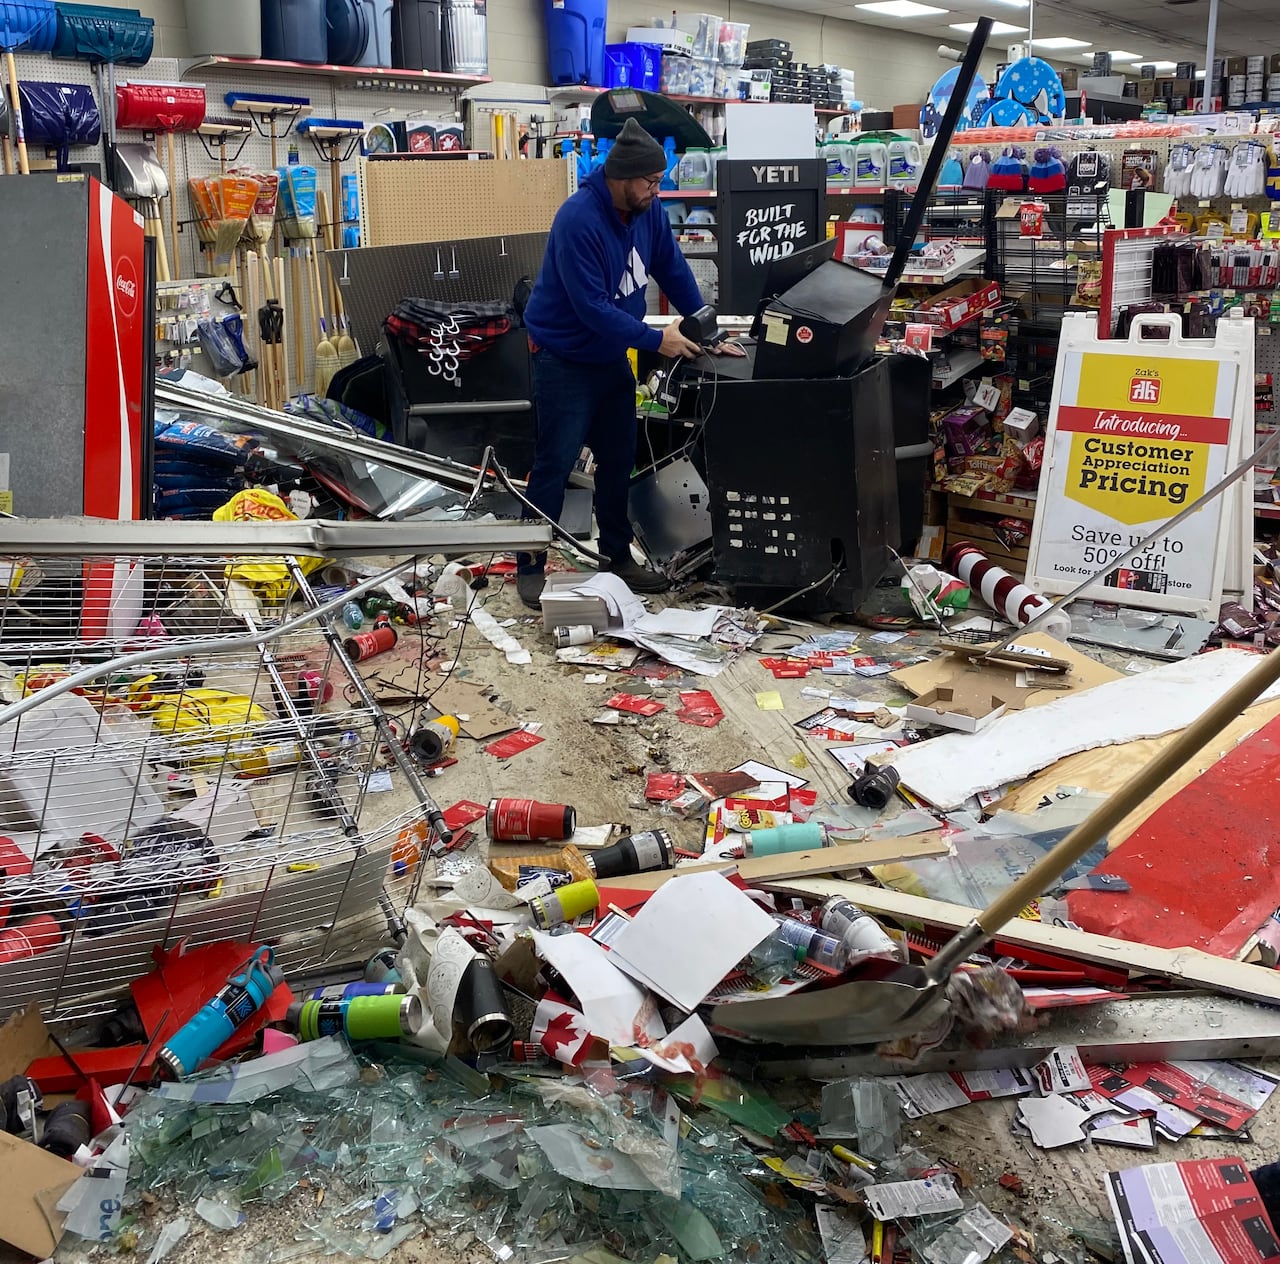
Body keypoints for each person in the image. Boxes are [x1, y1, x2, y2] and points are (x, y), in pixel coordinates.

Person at [517, 117, 742, 609]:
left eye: (660, 181)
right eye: (650, 181)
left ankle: (616, 555)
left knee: (620, 458)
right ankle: (530, 564)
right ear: (622, 177)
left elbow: (672, 268)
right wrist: (657, 340)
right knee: (554, 462)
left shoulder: (648, 211)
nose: (656, 191)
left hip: (608, 355)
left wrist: (705, 328)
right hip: (563, 357)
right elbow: (591, 309)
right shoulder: (578, 220)